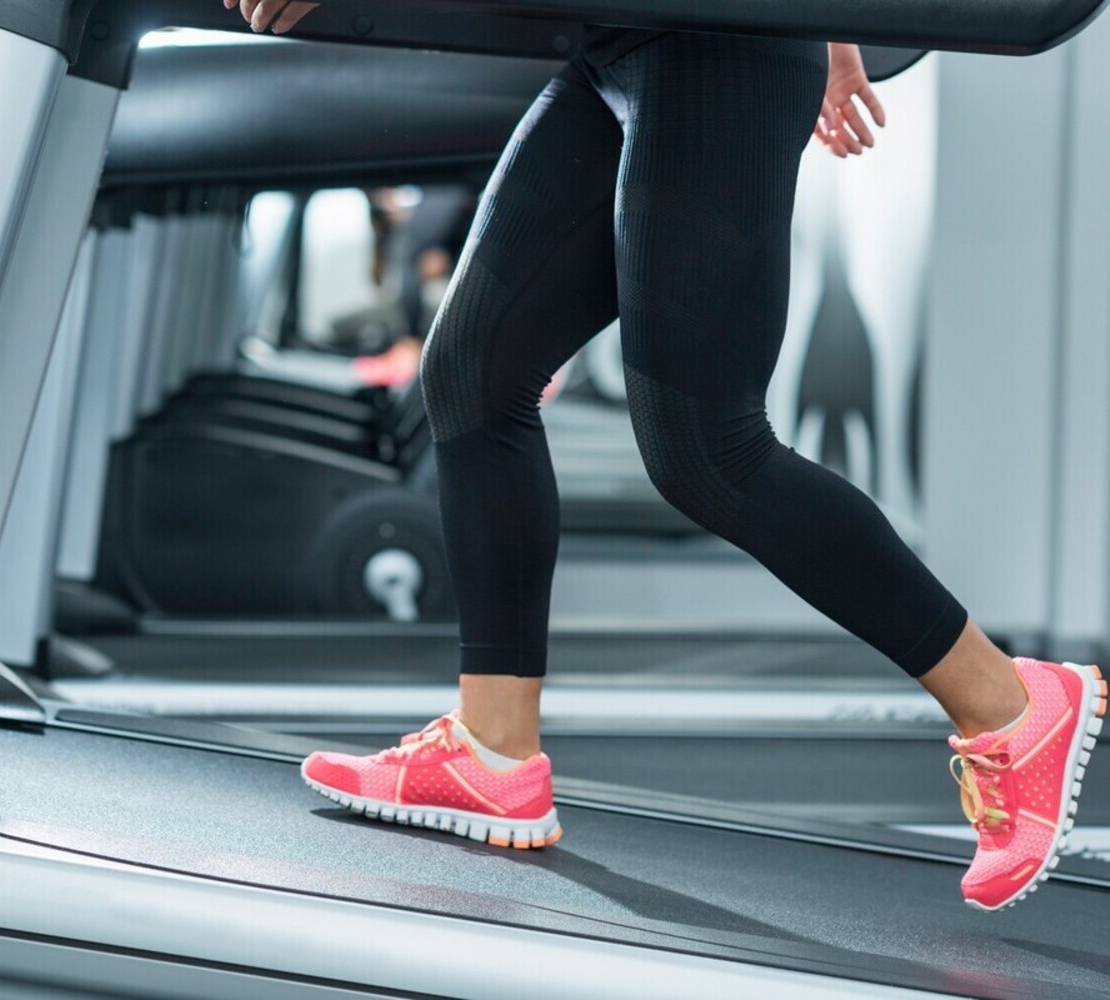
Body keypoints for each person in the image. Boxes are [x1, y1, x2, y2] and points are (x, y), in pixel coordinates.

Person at [227, 0, 1108, 911]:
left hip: (716, 40)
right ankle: (492, 751)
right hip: (624, 41)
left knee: (706, 449)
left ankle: (1006, 704)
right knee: (471, 374)